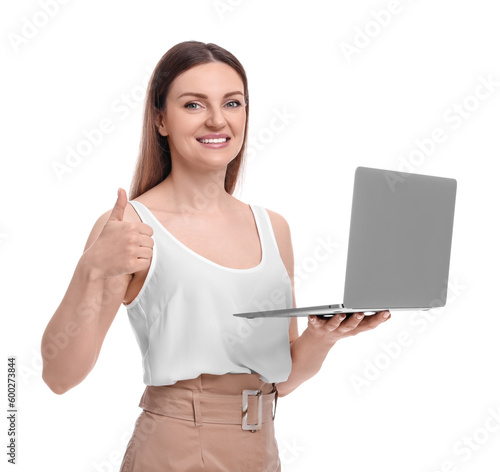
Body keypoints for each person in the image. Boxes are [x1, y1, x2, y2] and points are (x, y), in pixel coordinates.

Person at [41, 40, 391, 471]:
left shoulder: (273, 227)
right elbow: (59, 377)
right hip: (177, 449)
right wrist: (91, 269)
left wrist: (324, 337)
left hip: (261, 447)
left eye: (232, 102)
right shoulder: (131, 225)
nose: (217, 119)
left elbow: (282, 379)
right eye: (193, 104)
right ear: (160, 120)